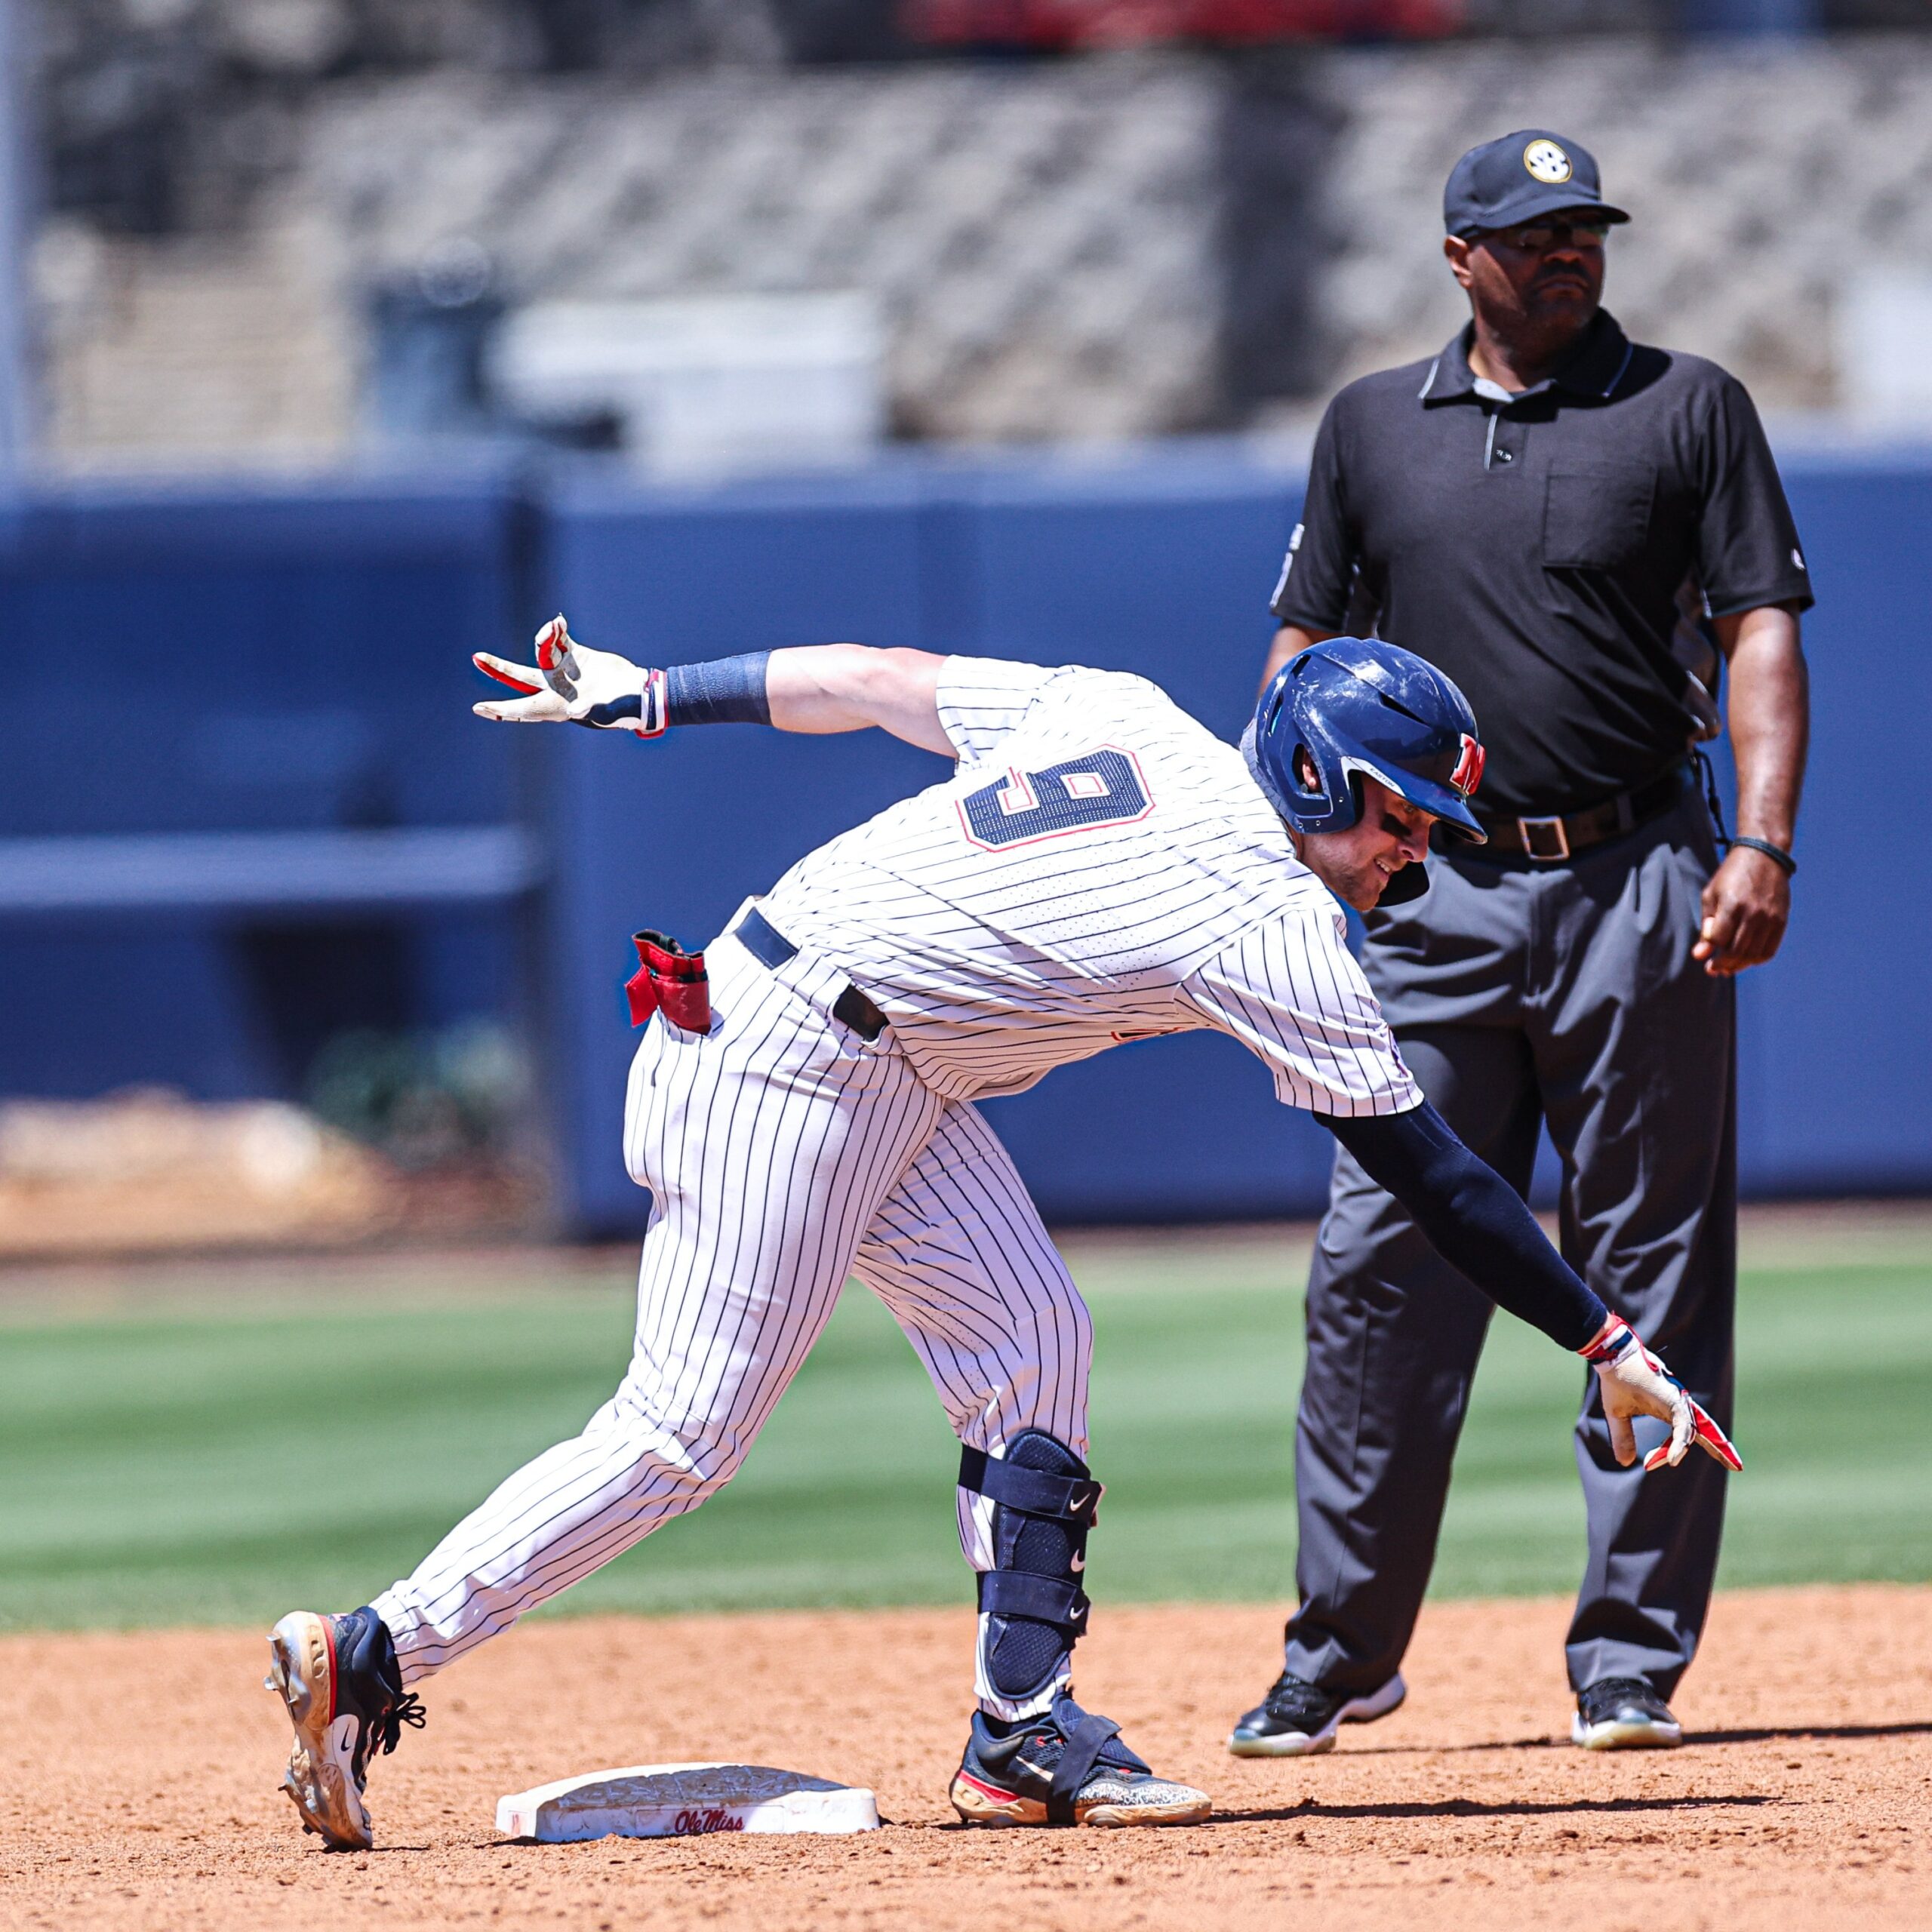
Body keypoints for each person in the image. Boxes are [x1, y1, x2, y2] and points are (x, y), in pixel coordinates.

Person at [265, 618, 1735, 1850]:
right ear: (1307, 770)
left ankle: (1019, 1727)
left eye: (1428, 825)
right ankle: (375, 1647)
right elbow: (1430, 1167)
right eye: (1394, 813)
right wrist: (1599, 1337)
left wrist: (656, 693)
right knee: (680, 1432)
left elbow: (868, 674)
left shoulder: (1129, 715)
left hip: (866, 1050)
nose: (1408, 852)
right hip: (788, 1060)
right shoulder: (1269, 916)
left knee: (1034, 1343)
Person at [1234, 128, 1807, 1761]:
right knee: (1375, 1267)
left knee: (1651, 1273)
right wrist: (1297, 825)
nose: (1566, 253)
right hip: (1427, 901)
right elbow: (1301, 638)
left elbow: (1756, 623)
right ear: (1457, 257)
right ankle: (1338, 1650)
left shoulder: (1685, 405)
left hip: (1637, 875)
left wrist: (1758, 838)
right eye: (1530, 234)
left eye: (1583, 231)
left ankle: (1625, 1657)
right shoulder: (1365, 425)